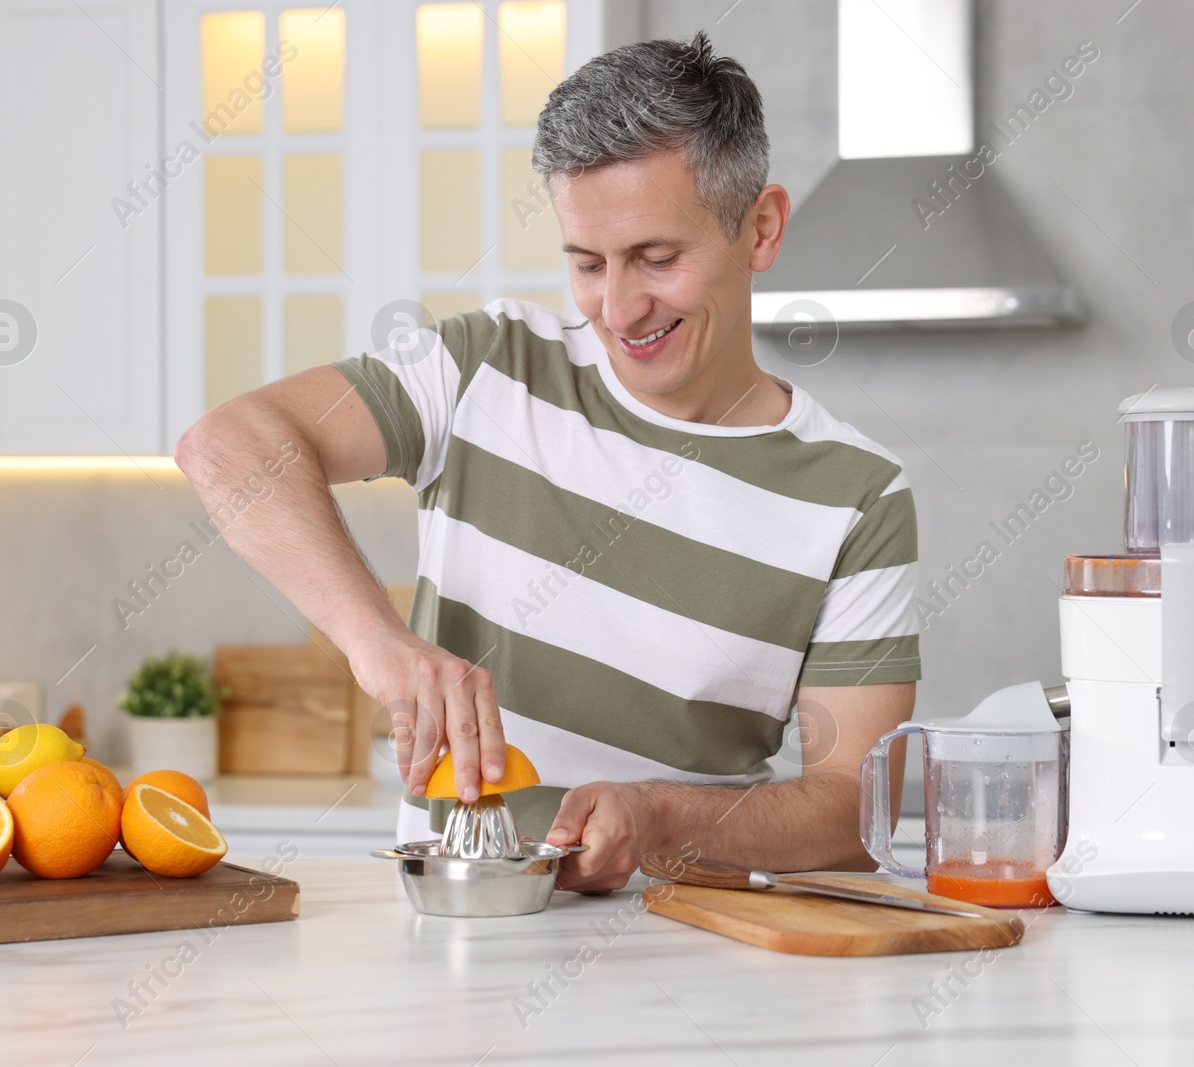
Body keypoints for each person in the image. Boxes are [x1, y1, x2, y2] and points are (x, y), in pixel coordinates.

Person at [174, 31, 919, 892]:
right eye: (586, 263)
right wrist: (377, 641)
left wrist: (657, 816)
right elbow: (227, 445)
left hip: (696, 958)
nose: (619, 307)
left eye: (657, 258)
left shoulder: (858, 495)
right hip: (454, 942)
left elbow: (854, 811)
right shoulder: (487, 365)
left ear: (760, 227)